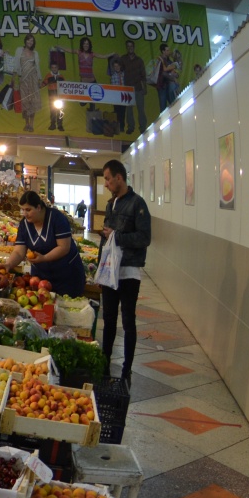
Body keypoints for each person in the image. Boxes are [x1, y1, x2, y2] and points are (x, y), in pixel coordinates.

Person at [100, 159, 152, 382]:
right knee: (109, 320)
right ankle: (104, 365)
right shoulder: (111, 204)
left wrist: (116, 236)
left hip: (129, 272)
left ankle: (126, 369)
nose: (106, 184)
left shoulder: (138, 204)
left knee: (128, 321)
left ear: (119, 178)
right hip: (110, 272)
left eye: (108, 179)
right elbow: (108, 237)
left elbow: (144, 238)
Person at [0, 191, 86, 297]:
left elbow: (64, 247)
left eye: (28, 209)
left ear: (39, 207)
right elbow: (19, 252)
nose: (25, 214)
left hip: (66, 276)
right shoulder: (25, 224)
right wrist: (9, 264)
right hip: (41, 278)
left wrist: (44, 258)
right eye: (23, 210)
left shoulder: (57, 218)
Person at [120, 40, 148, 135]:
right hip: (127, 89)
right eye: (128, 46)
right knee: (129, 110)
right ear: (126, 48)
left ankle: (143, 127)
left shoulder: (139, 60)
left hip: (138, 88)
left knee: (141, 109)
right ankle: (130, 127)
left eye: (131, 46)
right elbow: (119, 71)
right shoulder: (123, 59)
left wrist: (145, 88)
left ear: (134, 47)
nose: (130, 48)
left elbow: (143, 75)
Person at [17, 34, 42, 132]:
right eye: (28, 40)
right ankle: (26, 123)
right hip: (23, 79)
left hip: (33, 79)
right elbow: (16, 64)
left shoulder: (35, 53)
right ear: (25, 41)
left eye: (32, 41)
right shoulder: (20, 50)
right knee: (25, 102)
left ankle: (31, 124)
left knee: (33, 101)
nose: (30, 42)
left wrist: (39, 79)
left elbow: (37, 67)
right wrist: (15, 77)